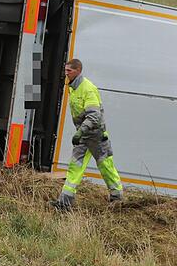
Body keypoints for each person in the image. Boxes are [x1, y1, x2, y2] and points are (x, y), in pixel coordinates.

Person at [53, 59, 124, 209]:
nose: (66, 73)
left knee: (105, 165)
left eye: (69, 71)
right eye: (65, 70)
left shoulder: (87, 89)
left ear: (78, 70)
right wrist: (81, 132)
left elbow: (94, 116)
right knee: (75, 166)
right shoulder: (73, 87)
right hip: (84, 134)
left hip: (96, 135)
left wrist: (80, 132)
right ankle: (64, 202)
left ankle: (117, 197)